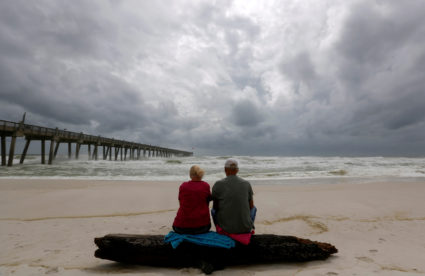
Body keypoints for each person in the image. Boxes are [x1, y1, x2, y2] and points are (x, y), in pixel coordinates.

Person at [211, 159, 256, 236]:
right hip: (245, 228)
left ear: (225, 169)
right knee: (254, 209)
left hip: (225, 228)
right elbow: (251, 206)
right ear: (237, 170)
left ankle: (219, 229)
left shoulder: (218, 184)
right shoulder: (246, 184)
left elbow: (215, 207)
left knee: (213, 211)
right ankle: (249, 228)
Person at [172, 165, 212, 234]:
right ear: (201, 175)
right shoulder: (205, 186)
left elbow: (181, 203)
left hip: (181, 227)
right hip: (202, 227)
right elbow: (208, 201)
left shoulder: (183, 186)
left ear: (190, 175)